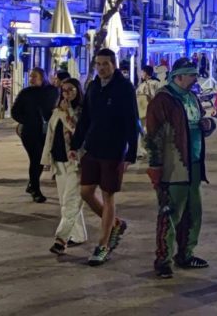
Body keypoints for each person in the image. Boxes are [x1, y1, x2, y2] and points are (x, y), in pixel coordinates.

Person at [145, 58, 217, 278]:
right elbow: (153, 136)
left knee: (193, 211)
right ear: (179, 76)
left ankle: (186, 253)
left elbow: (200, 121)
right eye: (191, 75)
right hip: (173, 165)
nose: (196, 78)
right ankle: (163, 259)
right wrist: (156, 166)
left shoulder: (191, 97)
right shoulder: (163, 100)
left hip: (194, 163)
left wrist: (208, 125)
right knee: (171, 212)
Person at [70, 48, 139, 267]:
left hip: (113, 149)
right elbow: (85, 119)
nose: (101, 68)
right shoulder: (92, 87)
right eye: (98, 64)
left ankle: (103, 245)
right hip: (93, 148)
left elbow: (132, 121)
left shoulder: (124, 88)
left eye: (105, 64)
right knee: (86, 191)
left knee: (108, 195)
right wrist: (75, 144)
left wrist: (131, 152)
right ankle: (115, 224)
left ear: (114, 64)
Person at [42, 78, 87, 255]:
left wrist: (67, 110)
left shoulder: (81, 111)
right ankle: (78, 234)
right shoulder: (56, 112)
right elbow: (50, 137)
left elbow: (76, 128)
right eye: (64, 90)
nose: (67, 93)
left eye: (71, 90)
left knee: (71, 201)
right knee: (65, 201)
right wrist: (46, 158)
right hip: (59, 161)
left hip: (76, 163)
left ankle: (61, 239)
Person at [12, 67, 58, 203]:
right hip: (29, 132)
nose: (32, 79)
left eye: (35, 76)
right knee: (36, 159)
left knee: (41, 161)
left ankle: (32, 184)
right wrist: (26, 120)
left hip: (46, 132)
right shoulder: (25, 93)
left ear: (42, 77)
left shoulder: (52, 91)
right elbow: (15, 111)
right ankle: (35, 189)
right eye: (31, 76)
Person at [136, 65, 163, 159]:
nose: (141, 74)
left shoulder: (153, 84)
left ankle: (146, 151)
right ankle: (144, 151)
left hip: (147, 112)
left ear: (146, 73)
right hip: (144, 112)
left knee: (146, 131)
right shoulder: (150, 84)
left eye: (142, 72)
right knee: (144, 131)